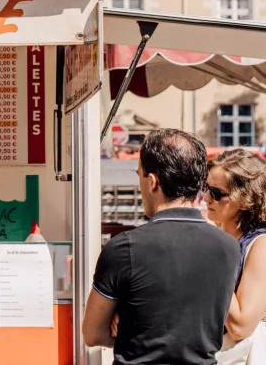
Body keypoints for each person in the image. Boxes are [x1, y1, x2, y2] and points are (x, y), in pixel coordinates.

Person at [83, 128, 240, 365]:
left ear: (153, 182)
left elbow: (93, 333)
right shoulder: (228, 247)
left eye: (140, 176)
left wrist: (131, 331)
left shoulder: (123, 249)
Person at [205, 148, 266, 364]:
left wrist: (213, 252)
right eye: (206, 188)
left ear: (245, 198)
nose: (206, 198)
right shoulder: (220, 238)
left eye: (216, 193)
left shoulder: (260, 245)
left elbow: (240, 326)